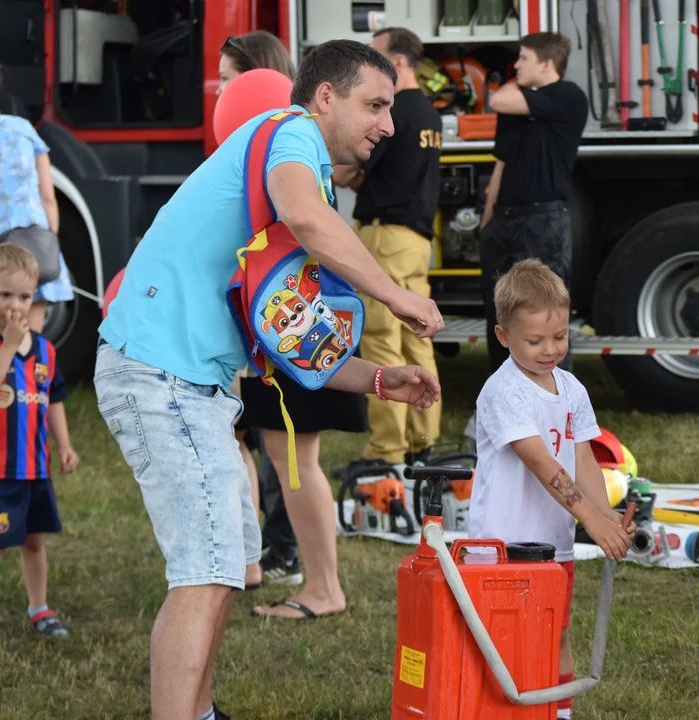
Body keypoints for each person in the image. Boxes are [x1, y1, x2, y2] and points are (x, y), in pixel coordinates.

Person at [95, 39, 443, 720]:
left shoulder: (288, 180)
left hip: (193, 387)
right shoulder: (288, 135)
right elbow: (307, 219)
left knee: (224, 567)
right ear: (324, 97)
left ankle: (198, 711)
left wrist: (381, 380)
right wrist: (393, 294)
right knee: (205, 570)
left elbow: (295, 345)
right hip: (162, 379)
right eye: (374, 104)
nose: (389, 124)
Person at [468, 258, 635, 720]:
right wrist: (592, 520)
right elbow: (544, 466)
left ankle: (558, 714)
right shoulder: (504, 392)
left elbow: (583, 459)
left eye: (560, 337)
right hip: (500, 546)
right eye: (535, 340)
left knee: (555, 632)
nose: (550, 349)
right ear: (503, 336)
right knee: (503, 640)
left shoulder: (572, 389)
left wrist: (606, 519)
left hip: (553, 544)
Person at [215, 29, 305, 591]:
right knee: (250, 438)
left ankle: (282, 548)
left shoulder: (284, 156)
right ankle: (260, 550)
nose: (220, 93)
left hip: (272, 317)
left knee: (277, 443)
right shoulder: (241, 150)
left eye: (228, 81)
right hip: (243, 317)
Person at [339, 26, 442, 468]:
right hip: (418, 239)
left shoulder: (394, 113)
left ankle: (387, 450)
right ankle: (424, 440)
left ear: (399, 63)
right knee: (418, 342)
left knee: (381, 340)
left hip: (383, 236)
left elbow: (351, 171)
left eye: (377, 58)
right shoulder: (431, 115)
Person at [0, 244, 79, 655]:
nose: (15, 305)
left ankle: (39, 608)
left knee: (34, 542)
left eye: (24, 297)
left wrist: (65, 445)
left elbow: (53, 398)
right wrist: (7, 345)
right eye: (4, 295)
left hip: (34, 471)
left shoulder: (45, 349)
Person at [479, 32, 587, 374]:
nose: (517, 65)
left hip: (543, 221)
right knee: (500, 313)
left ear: (547, 63)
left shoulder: (568, 96)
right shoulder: (518, 104)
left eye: (524, 58)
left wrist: (512, 87)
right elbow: (502, 162)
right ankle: (504, 401)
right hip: (505, 221)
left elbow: (498, 99)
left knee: (547, 313)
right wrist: (487, 219)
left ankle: (556, 406)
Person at [0, 38, 75, 336]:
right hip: (36, 244)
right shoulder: (22, 129)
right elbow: (48, 198)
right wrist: (48, 241)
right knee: (32, 348)